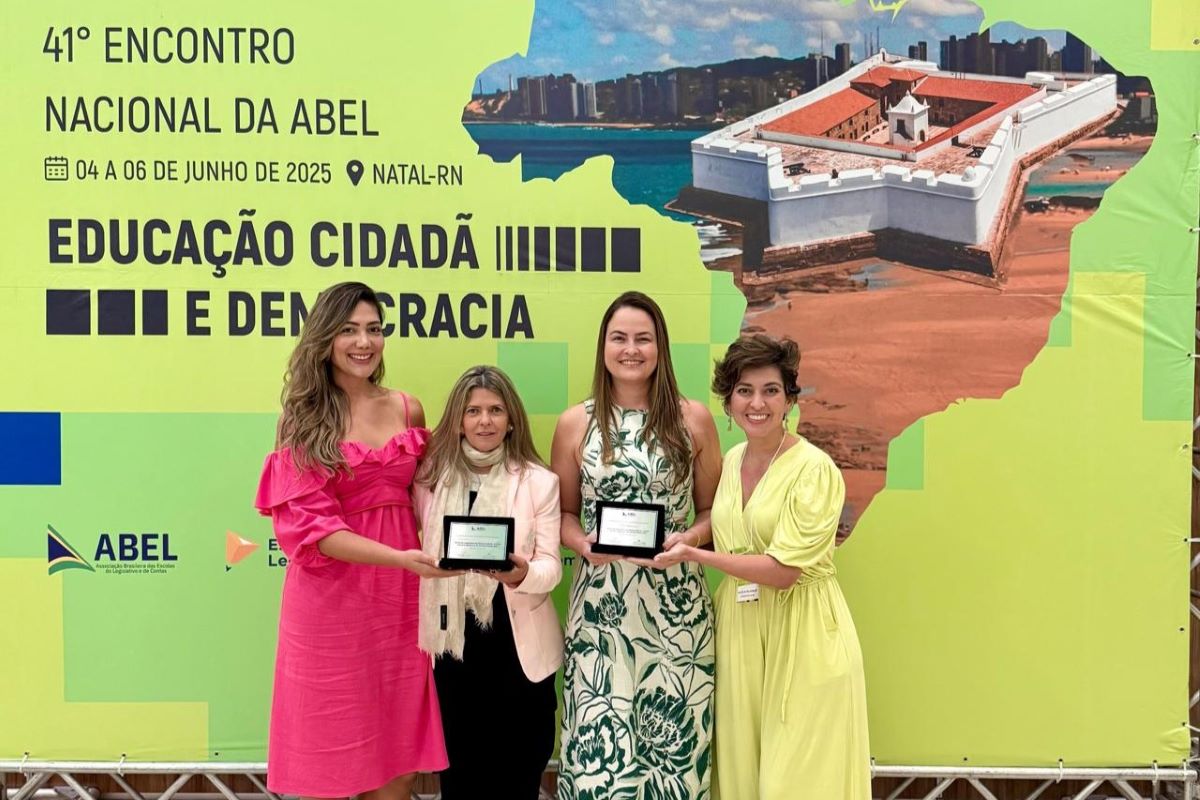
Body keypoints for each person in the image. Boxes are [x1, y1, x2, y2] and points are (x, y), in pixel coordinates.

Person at [254, 281, 457, 800]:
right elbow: (314, 530)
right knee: (331, 759)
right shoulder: (301, 420)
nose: (364, 342)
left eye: (373, 329)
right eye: (348, 330)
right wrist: (400, 558)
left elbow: (431, 495)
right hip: (331, 604)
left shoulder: (408, 408)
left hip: (400, 602)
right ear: (324, 338)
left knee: (399, 764)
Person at [652, 334, 870, 800]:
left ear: (790, 399)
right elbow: (727, 529)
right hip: (739, 630)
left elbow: (783, 571)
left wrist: (696, 556)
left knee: (795, 782)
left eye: (771, 390)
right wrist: (690, 537)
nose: (757, 403)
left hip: (803, 632)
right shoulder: (731, 461)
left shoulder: (815, 469)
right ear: (728, 400)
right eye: (744, 391)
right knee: (742, 778)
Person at [553, 291, 722, 800]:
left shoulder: (693, 419)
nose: (631, 349)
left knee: (673, 762)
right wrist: (583, 544)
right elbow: (561, 514)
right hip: (601, 611)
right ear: (603, 347)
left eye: (643, 339)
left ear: (660, 347)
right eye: (619, 338)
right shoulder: (575, 423)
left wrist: (688, 540)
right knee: (597, 758)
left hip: (676, 613)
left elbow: (714, 513)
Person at [413, 365, 563, 800]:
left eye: (495, 410)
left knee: (519, 775)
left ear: (511, 419)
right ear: (458, 419)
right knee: (460, 780)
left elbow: (551, 567)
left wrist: (522, 574)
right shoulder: (430, 480)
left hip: (518, 650)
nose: (485, 421)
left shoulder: (539, 482)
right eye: (473, 410)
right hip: (454, 649)